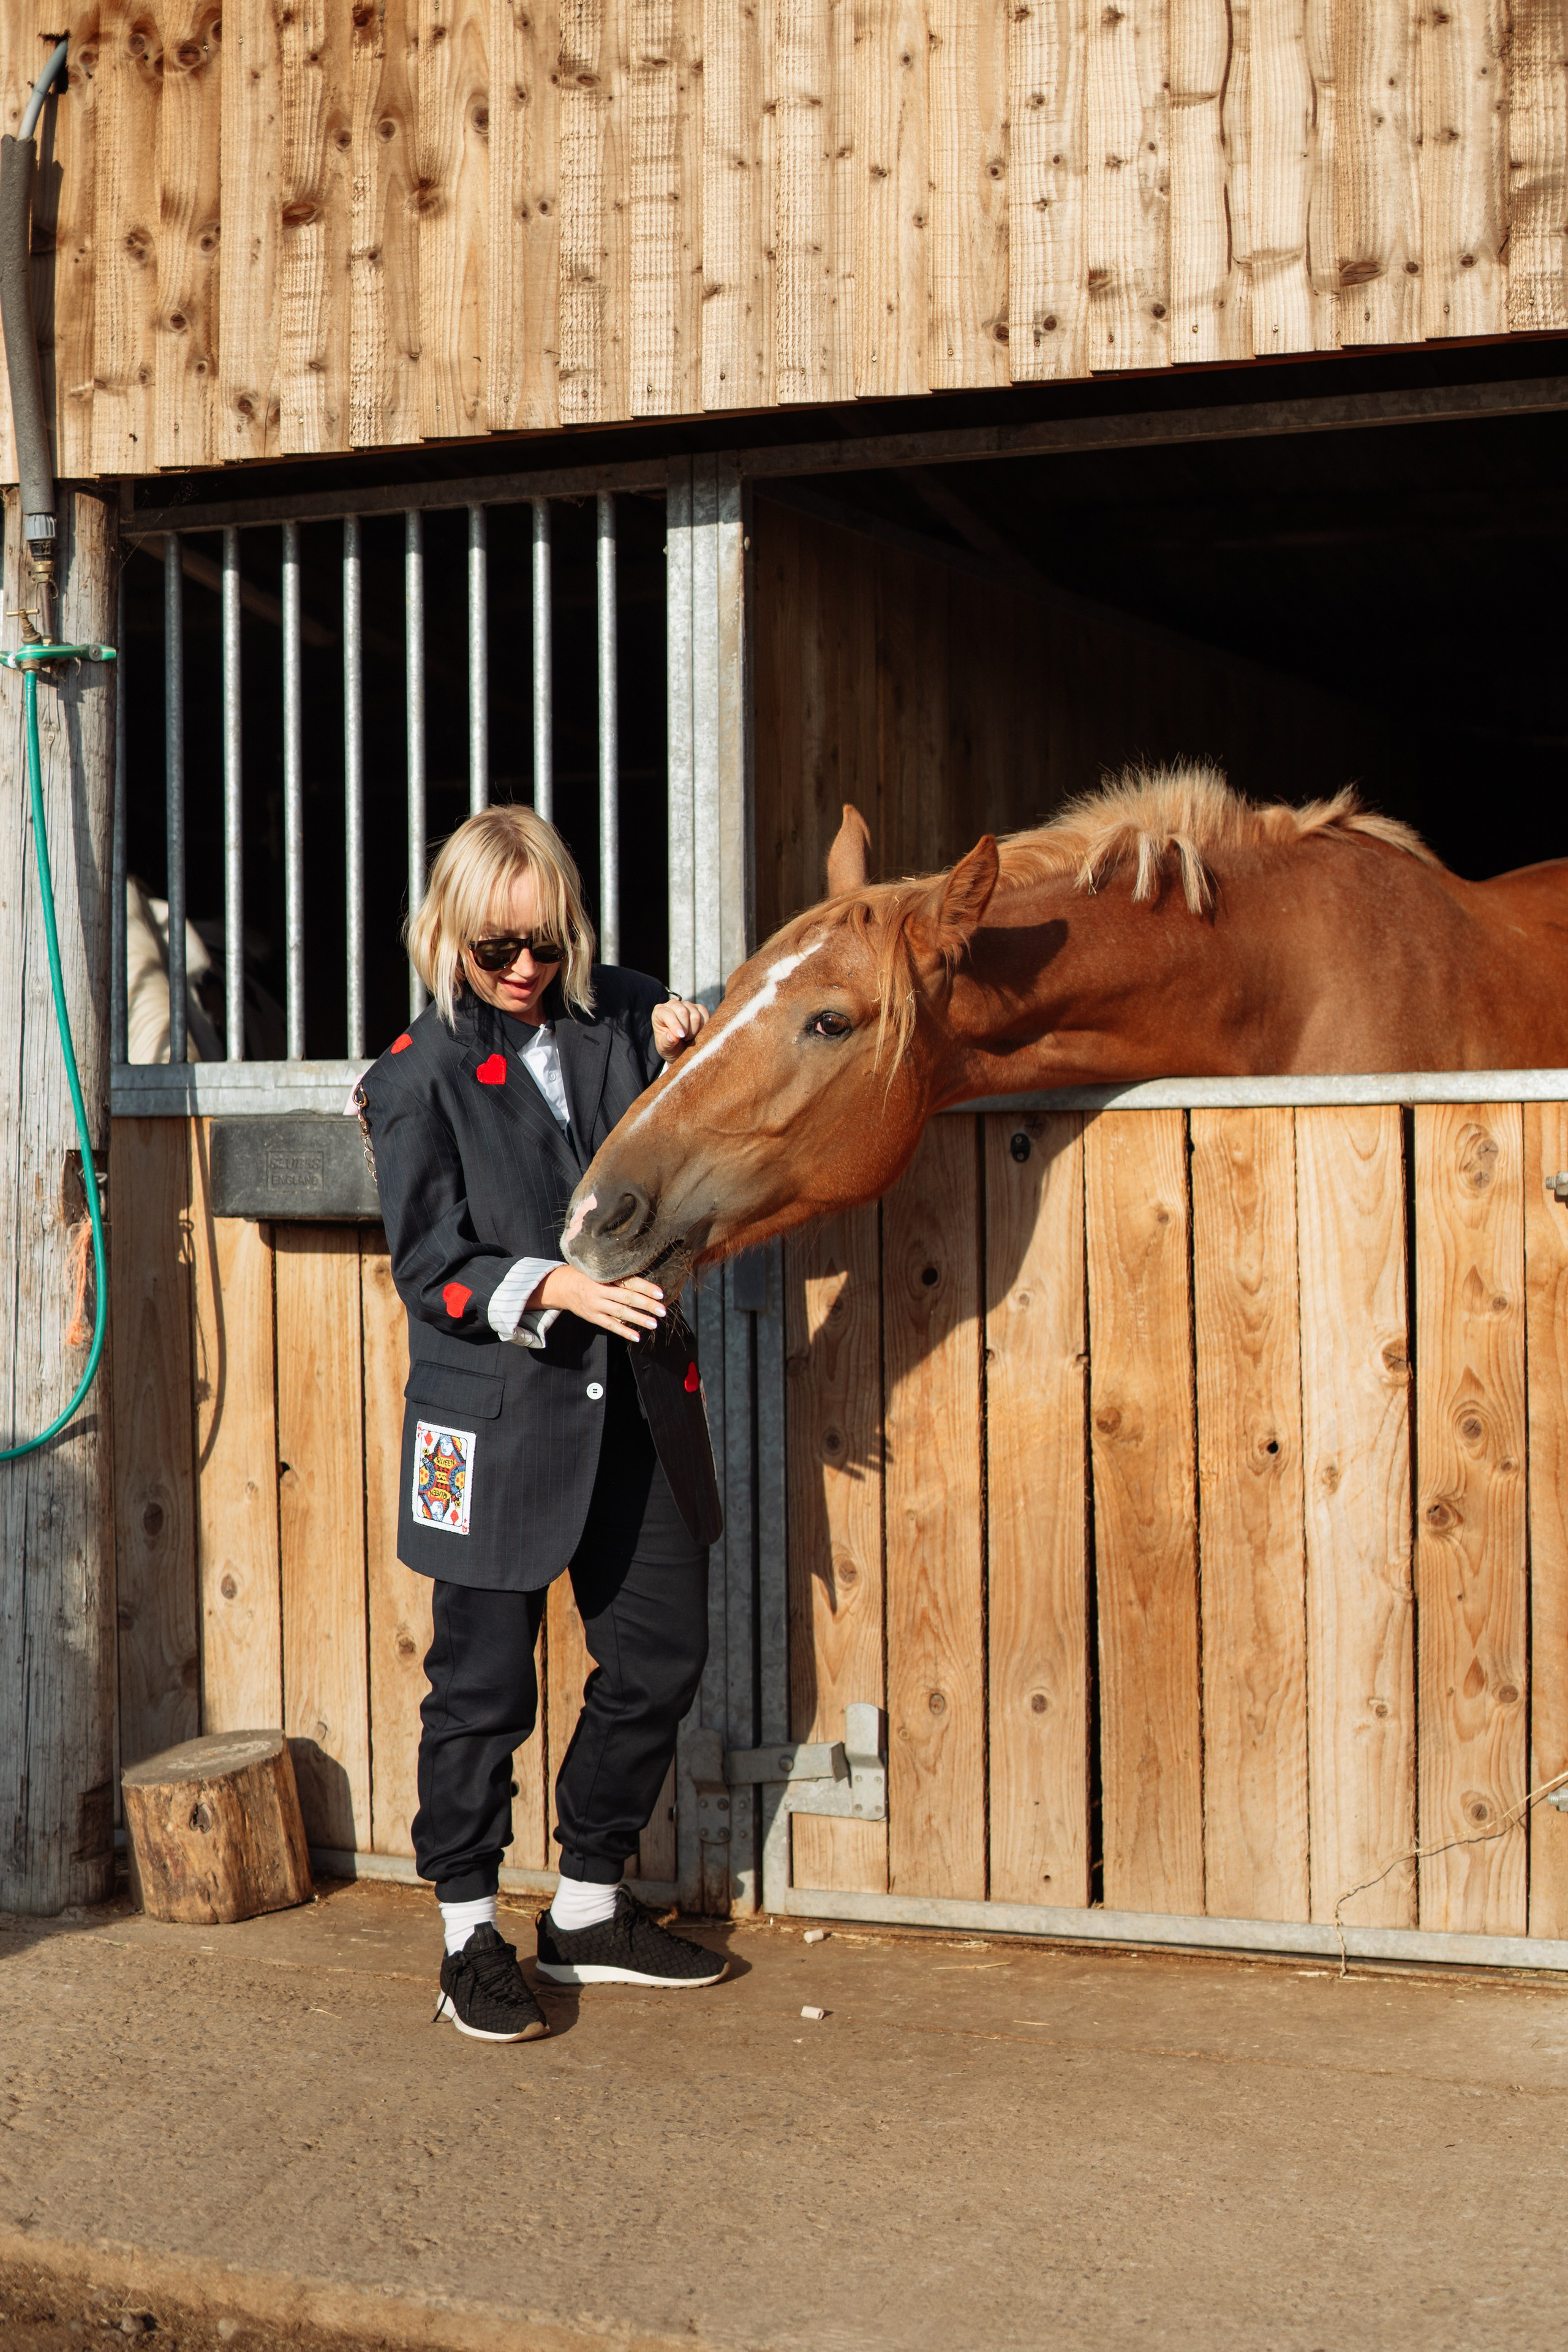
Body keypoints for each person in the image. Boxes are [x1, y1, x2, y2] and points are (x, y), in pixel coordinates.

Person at [354, 805, 722, 2043]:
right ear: (446, 937)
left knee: (660, 1655)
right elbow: (431, 1269)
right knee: (481, 1688)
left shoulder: (615, 1015)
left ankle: (587, 1907)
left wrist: (687, 1022)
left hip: (636, 1402)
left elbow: (688, 1017)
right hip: (491, 1416)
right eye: (495, 949)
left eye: (546, 945)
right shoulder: (414, 1078)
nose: (523, 969)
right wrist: (557, 1286)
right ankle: (468, 1931)